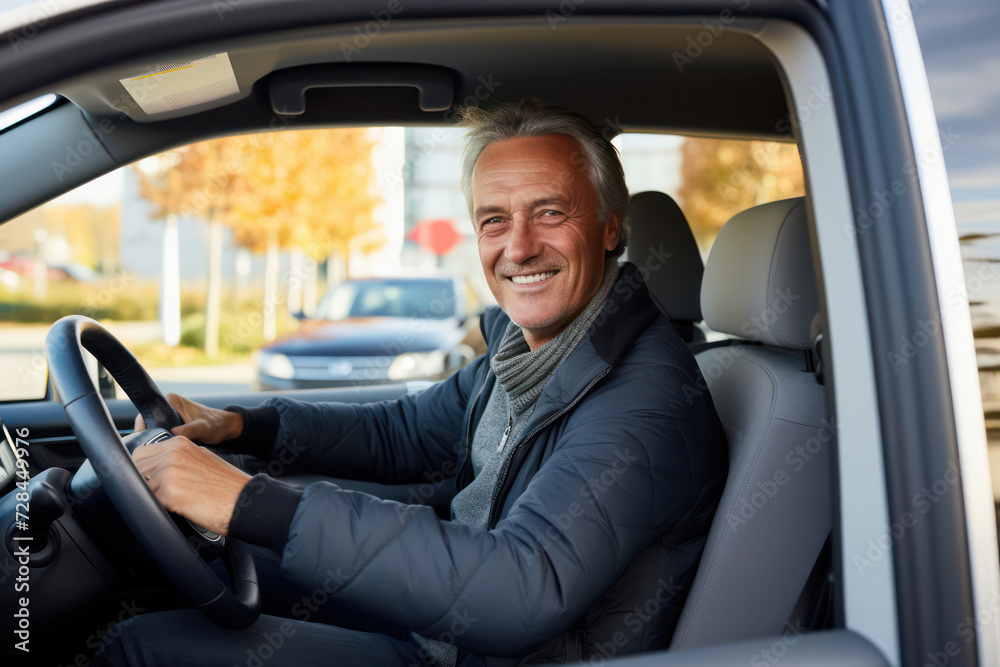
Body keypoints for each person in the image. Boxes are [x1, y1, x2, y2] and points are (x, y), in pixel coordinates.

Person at [98, 98, 728, 666]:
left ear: (609, 228)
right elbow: (399, 432)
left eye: (550, 212)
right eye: (494, 221)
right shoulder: (530, 353)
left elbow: (518, 589)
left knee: (140, 648)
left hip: (490, 647)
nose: (520, 246)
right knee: (193, 559)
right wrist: (240, 424)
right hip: (448, 623)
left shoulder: (648, 403)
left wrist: (247, 502)